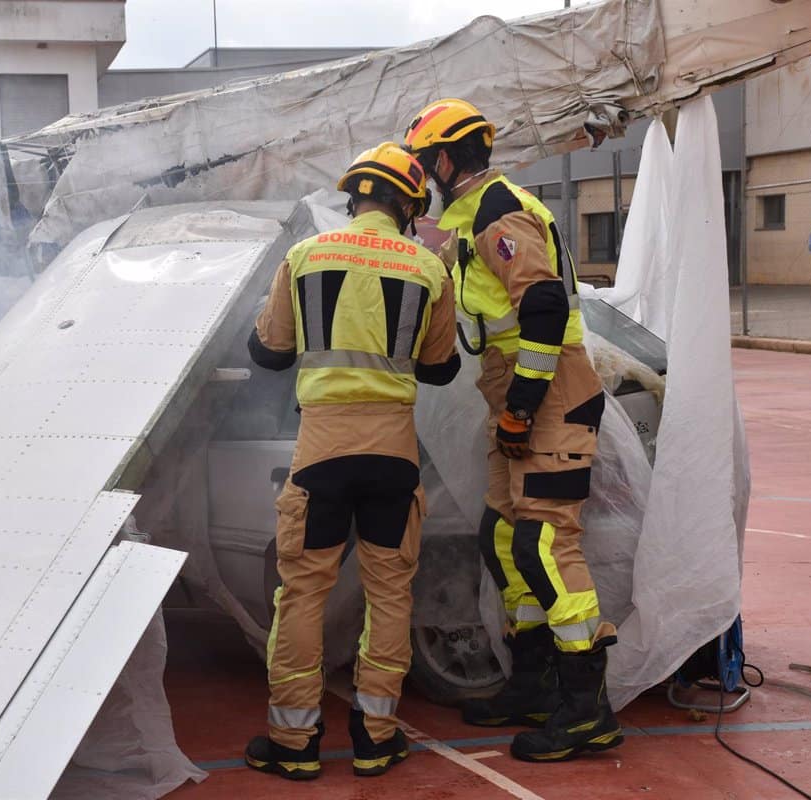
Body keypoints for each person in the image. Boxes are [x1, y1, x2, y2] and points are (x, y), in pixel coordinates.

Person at [402, 98, 621, 763]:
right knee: (501, 538)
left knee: (545, 544)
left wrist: (523, 407)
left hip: (549, 395)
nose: (422, 177)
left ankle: (588, 710)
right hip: (516, 395)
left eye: (423, 164)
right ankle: (531, 683)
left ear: (444, 159)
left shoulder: (502, 213)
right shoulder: (472, 217)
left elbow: (545, 306)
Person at [244, 142, 460, 781]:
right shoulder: (427, 268)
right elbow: (443, 368)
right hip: (394, 455)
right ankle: (376, 738)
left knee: (303, 593)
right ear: (408, 205)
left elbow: (269, 353)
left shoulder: (305, 257)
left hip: (322, 455)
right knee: (391, 593)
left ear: (354, 195)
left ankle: (294, 744)